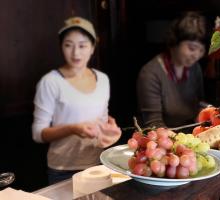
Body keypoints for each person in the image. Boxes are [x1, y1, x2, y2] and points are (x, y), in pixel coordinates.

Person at [32, 16, 121, 184]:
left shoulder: (103, 79)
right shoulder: (50, 82)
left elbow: (101, 123)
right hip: (63, 170)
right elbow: (38, 134)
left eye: (82, 45)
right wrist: (72, 128)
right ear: (61, 47)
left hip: (98, 165)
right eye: (68, 45)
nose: (76, 53)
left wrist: (109, 133)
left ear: (93, 47)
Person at [136, 12, 208, 128]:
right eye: (192, 48)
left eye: (201, 51)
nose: (196, 55)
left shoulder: (195, 68)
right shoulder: (150, 73)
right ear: (174, 42)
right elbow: (153, 124)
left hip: (189, 135)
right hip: (160, 139)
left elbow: (198, 104)